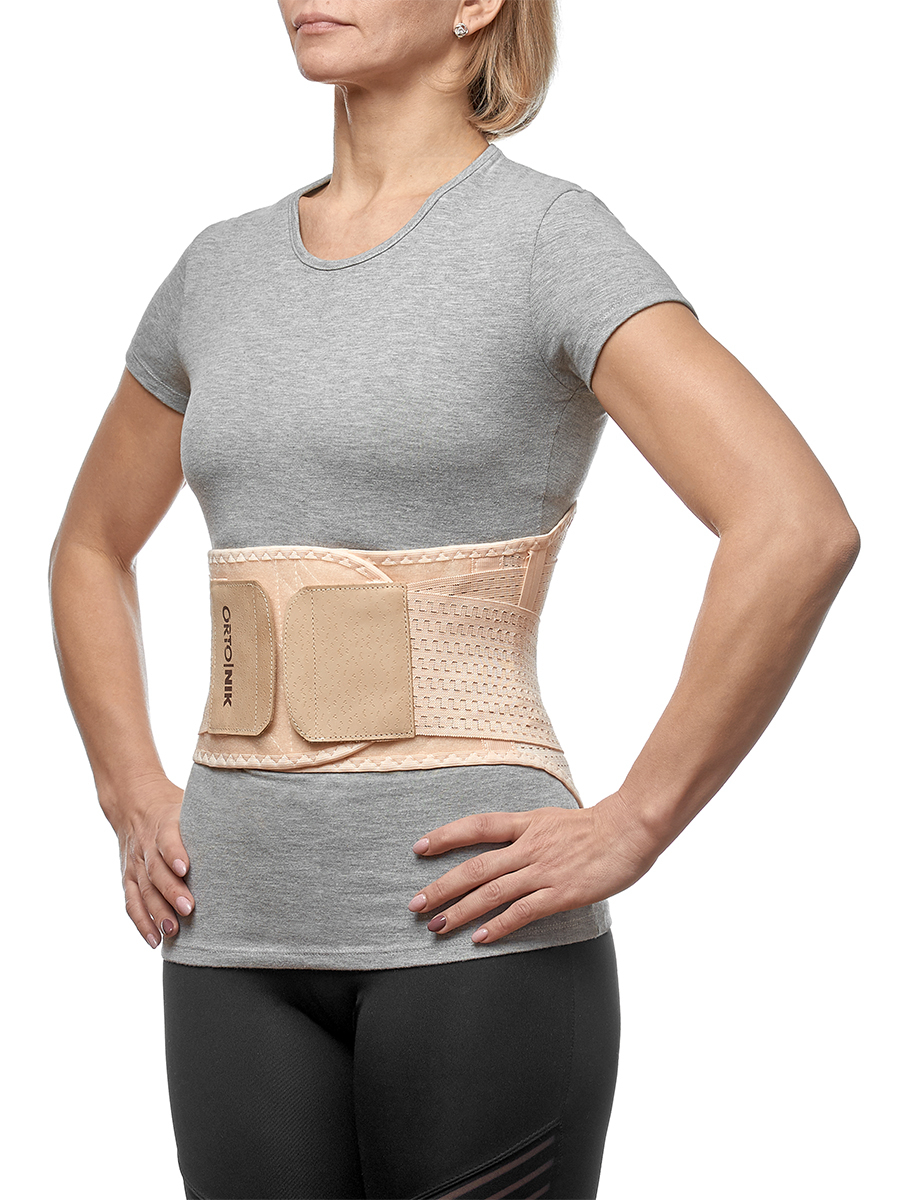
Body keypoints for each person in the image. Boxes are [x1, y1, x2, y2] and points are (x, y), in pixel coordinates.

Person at [47, 2, 860, 1198]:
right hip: (230, 934)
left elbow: (795, 525)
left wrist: (637, 821)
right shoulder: (216, 270)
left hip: (474, 933)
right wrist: (126, 788)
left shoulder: (545, 240)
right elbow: (89, 544)